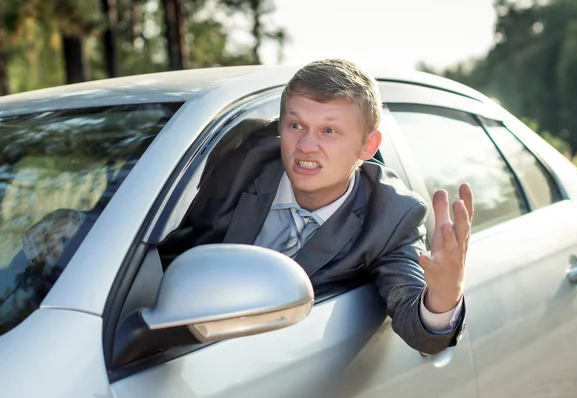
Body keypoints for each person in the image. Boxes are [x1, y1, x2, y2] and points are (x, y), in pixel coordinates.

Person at [182, 59, 473, 355]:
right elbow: (162, 254)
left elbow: (420, 331)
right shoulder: (232, 171)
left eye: (328, 131)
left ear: (368, 146)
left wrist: (444, 297)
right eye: (296, 126)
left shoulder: (392, 216)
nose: (306, 145)